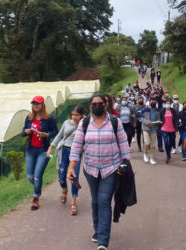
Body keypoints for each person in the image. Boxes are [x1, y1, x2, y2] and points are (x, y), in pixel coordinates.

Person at [67, 94, 130, 250]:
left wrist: (124, 163)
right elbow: (76, 146)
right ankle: (97, 229)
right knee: (95, 200)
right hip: (90, 169)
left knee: (104, 200)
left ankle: (103, 241)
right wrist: (71, 166)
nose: (97, 105)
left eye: (100, 103)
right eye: (94, 103)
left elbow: (124, 145)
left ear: (105, 104)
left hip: (111, 169)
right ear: (90, 107)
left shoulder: (115, 122)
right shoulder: (84, 123)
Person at [46, 105, 85, 215]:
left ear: (82, 115)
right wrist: (51, 147)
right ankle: (64, 190)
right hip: (64, 151)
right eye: (73, 114)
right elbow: (59, 136)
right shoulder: (66, 123)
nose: (74, 117)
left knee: (74, 177)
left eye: (77, 115)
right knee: (61, 177)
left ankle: (73, 203)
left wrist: (83, 120)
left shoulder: (84, 125)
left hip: (76, 153)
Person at [22, 96, 58, 210]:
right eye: (33, 104)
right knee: (30, 177)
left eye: (37, 104)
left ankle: (35, 198)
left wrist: (47, 135)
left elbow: (55, 131)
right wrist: (26, 131)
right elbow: (23, 132)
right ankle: (38, 188)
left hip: (43, 150)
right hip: (31, 150)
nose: (35, 106)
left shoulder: (49, 118)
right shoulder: (29, 118)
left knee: (37, 177)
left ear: (42, 105)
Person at [141, 97, 160, 165]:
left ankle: (152, 158)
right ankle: (145, 154)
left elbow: (159, 119)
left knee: (152, 145)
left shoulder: (157, 110)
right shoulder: (144, 109)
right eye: (151, 101)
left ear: (156, 102)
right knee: (147, 142)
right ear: (149, 102)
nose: (153, 102)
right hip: (146, 128)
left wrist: (158, 122)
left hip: (154, 129)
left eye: (154, 101)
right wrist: (147, 122)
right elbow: (140, 118)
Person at [160, 98, 179, 163]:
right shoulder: (162, 111)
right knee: (166, 142)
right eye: (166, 103)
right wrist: (159, 127)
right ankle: (168, 156)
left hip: (172, 129)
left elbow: (176, 120)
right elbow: (160, 119)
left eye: (169, 103)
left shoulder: (173, 111)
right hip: (164, 128)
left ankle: (169, 151)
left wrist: (176, 129)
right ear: (165, 104)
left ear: (171, 104)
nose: (167, 105)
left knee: (171, 142)